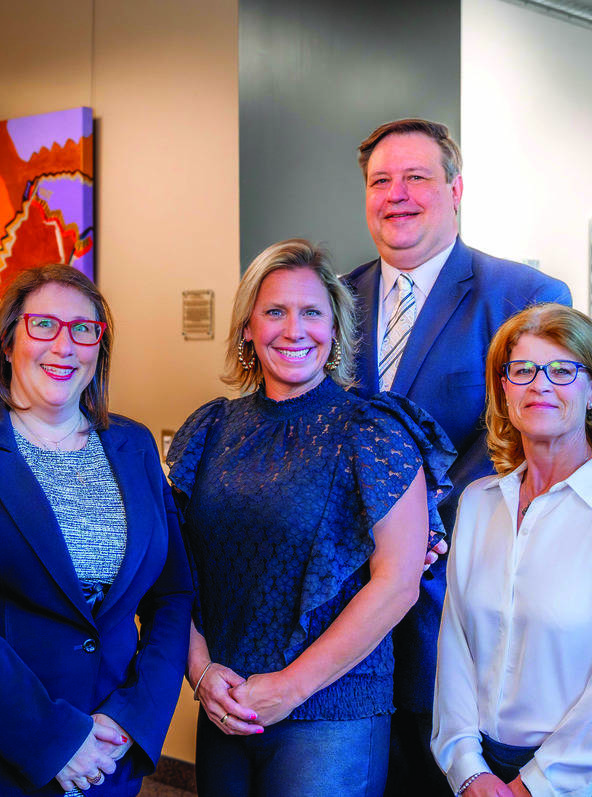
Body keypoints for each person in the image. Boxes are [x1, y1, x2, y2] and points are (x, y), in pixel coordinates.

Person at [0, 264, 192, 796]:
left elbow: (173, 593)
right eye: (43, 326)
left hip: (104, 755)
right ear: (7, 342)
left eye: (84, 329)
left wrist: (132, 717)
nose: (65, 345)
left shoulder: (134, 444)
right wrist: (53, 739)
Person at [167, 239, 455, 796]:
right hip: (226, 705)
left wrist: (289, 688)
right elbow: (178, 570)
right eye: (274, 311)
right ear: (248, 327)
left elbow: (397, 584)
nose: (293, 329)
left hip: (331, 714)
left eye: (312, 313)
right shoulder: (210, 430)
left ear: (335, 329)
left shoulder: (374, 432)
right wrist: (199, 670)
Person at [343, 118, 573, 794]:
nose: (398, 194)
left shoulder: (523, 296)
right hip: (344, 619)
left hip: (459, 606)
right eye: (382, 181)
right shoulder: (333, 299)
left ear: (456, 188)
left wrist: (415, 527)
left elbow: (530, 439)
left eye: (417, 177)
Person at [432, 303, 592, 797]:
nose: (539, 385)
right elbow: (455, 649)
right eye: (522, 370)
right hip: (483, 777)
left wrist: (534, 787)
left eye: (562, 371)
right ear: (503, 389)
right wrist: (467, 768)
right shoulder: (481, 503)